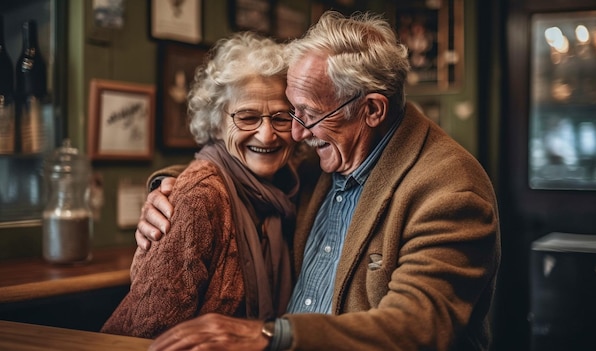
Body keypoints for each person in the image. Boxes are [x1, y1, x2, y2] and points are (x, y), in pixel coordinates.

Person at [137, 11, 501, 351]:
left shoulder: (451, 191)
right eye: (292, 111)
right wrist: (172, 187)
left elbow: (417, 327)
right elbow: (244, 167)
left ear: (372, 109)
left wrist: (273, 335)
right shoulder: (329, 150)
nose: (294, 133)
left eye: (308, 115)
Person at [100, 32, 301, 339]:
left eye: (280, 118)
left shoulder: (289, 190)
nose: (267, 134)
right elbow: (149, 332)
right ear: (216, 123)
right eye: (247, 118)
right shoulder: (198, 198)